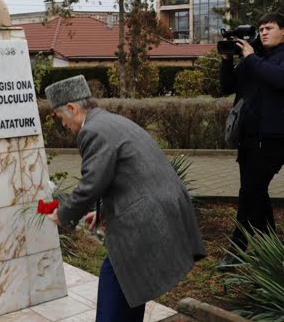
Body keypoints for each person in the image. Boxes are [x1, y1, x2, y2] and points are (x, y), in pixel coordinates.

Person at [44, 75, 206, 322]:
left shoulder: (92, 132)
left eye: (60, 117)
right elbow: (121, 177)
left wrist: (63, 214)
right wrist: (103, 213)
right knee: (131, 285)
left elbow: (91, 185)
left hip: (146, 216)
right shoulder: (109, 121)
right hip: (158, 207)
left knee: (115, 279)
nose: (63, 124)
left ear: (72, 108)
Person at [218, 11, 284, 269]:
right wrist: (227, 60)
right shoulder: (254, 58)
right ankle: (272, 249)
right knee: (255, 191)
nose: (264, 32)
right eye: (261, 29)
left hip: (274, 139)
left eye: (269, 28)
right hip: (248, 137)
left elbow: (278, 79)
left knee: (249, 192)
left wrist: (250, 57)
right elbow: (228, 86)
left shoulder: (265, 58)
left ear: (283, 31)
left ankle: (237, 250)